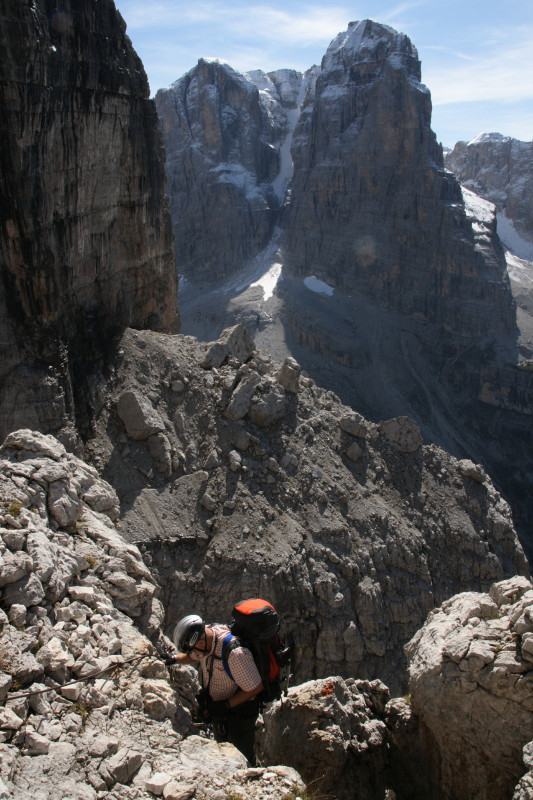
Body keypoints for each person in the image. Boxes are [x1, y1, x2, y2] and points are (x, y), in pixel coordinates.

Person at [167, 614, 263, 765]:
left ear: (201, 639)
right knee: (224, 753)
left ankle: (252, 774)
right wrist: (175, 659)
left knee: (243, 756)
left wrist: (225, 705)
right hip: (220, 710)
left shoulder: (235, 653)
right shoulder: (205, 640)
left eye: (194, 648)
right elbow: (195, 655)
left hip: (241, 713)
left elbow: (255, 687)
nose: (193, 652)